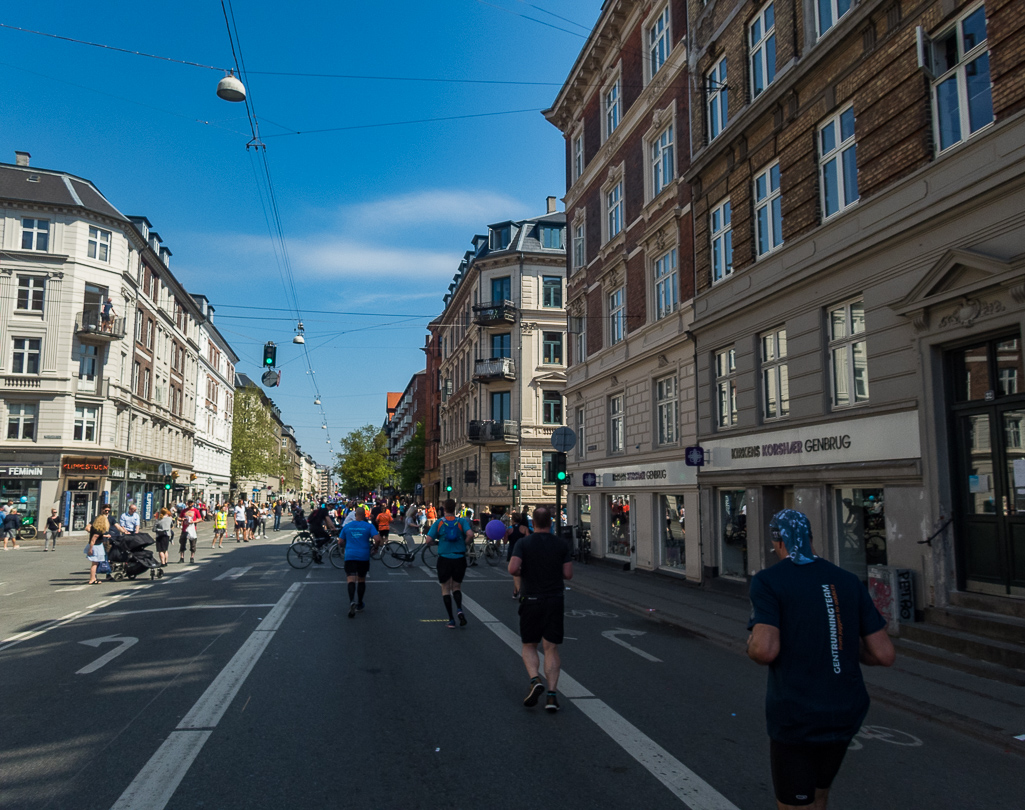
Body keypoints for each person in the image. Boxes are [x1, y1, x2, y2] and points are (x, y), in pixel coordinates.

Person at [747, 509, 896, 810]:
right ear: (810, 538)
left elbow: (765, 650)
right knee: (818, 793)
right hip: (845, 711)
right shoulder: (847, 580)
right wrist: (837, 644)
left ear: (778, 543)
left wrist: (751, 643)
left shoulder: (769, 581)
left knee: (795, 803)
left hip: (797, 714)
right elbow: (884, 653)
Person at [508, 507, 573, 712]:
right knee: (551, 647)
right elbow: (568, 574)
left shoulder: (524, 543)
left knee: (529, 644)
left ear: (533, 523)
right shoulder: (561, 544)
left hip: (531, 599)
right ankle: (552, 696)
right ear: (551, 522)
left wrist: (526, 570)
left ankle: (535, 679)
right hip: (554, 598)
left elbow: (512, 568)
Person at [425, 499, 473, 629]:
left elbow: (428, 540)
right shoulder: (461, 521)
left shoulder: (439, 522)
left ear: (444, 509)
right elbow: (470, 534)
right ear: (455, 508)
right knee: (456, 587)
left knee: (445, 588)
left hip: (444, 559)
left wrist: (437, 543)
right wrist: (465, 543)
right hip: (459, 558)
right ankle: (459, 609)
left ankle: (451, 619)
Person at [337, 507, 381, 619]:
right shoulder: (369, 526)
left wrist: (344, 546)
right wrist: (375, 548)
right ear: (364, 515)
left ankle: (352, 600)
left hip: (350, 556)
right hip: (363, 556)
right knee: (361, 579)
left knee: (350, 579)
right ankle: (359, 603)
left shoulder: (347, 526)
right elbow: (377, 539)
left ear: (355, 515)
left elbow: (340, 541)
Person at [505, 512, 530, 599]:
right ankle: (515, 591)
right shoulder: (524, 528)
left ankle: (519, 591)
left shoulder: (509, 530)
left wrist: (504, 535)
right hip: (523, 551)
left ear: (512, 520)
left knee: (515, 573)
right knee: (520, 571)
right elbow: (528, 539)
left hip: (512, 551)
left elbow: (504, 541)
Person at [86, 513, 111, 584]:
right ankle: (92, 579)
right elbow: (93, 539)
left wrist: (106, 536)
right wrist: (90, 549)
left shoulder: (95, 528)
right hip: (96, 547)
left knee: (95, 563)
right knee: (95, 563)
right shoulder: (98, 530)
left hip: (95, 545)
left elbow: (98, 536)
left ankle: (93, 578)